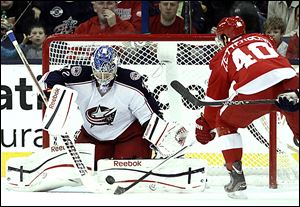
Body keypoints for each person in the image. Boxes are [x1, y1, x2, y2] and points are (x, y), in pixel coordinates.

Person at [195, 16, 299, 195]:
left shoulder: (223, 55)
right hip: (291, 81)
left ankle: (236, 175)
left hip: (256, 88)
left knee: (224, 122)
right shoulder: (264, 38)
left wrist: (206, 124)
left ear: (225, 38)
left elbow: (214, 99)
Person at [39, 45, 162, 169]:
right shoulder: (79, 76)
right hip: (92, 137)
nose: (103, 76)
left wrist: (159, 139)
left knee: (130, 170)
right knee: (79, 169)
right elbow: (49, 78)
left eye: (108, 72)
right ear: (92, 66)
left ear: (116, 66)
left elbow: (150, 116)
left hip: (129, 136)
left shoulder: (131, 82)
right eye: (99, 71)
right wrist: (50, 91)